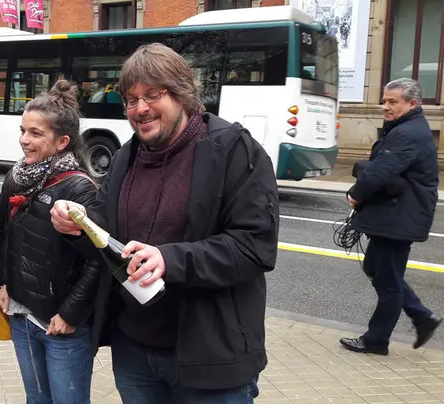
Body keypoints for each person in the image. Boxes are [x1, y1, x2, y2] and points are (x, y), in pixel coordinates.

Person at [50, 43, 280, 403]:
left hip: (210, 359)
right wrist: (78, 226)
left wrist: (169, 260)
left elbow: (254, 247)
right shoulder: (127, 156)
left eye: (152, 95)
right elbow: (105, 231)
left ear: (182, 94)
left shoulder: (234, 150)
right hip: (134, 354)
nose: (139, 109)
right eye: (130, 99)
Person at [0, 78, 102, 404]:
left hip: (61, 328)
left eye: (36, 133)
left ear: (62, 142)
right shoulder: (17, 177)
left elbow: (98, 260)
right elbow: (5, 237)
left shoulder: (79, 188)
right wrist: (5, 284)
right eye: (23, 130)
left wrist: (70, 314)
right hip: (22, 314)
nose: (24, 140)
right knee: (36, 399)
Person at [341, 78, 442, 355]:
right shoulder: (407, 128)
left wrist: (356, 193)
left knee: (388, 280)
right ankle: (422, 316)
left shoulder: (407, 133)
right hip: (398, 213)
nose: (385, 106)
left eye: (392, 102)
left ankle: (376, 340)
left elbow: (381, 171)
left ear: (412, 103)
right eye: (384, 100)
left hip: (398, 216)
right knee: (377, 267)